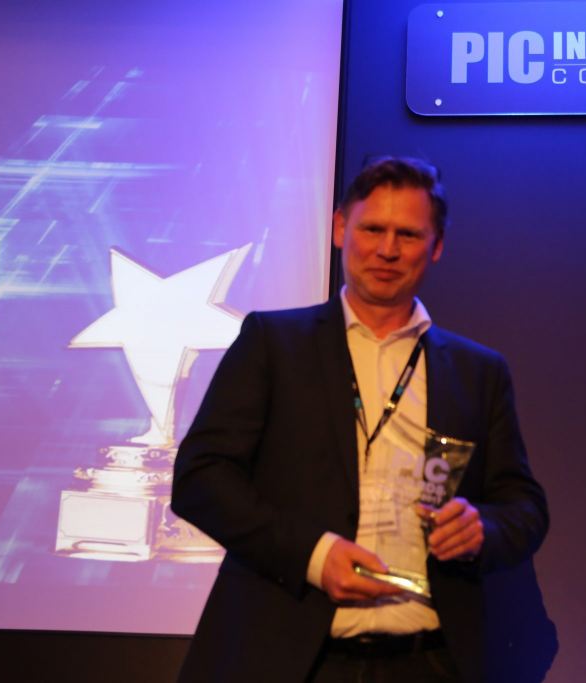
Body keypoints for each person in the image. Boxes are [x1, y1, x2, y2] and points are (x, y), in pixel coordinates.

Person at [171, 157, 548, 682]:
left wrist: (482, 527)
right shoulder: (273, 344)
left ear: (437, 245)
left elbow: (524, 506)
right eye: (372, 229)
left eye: (408, 235)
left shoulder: (477, 371)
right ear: (339, 228)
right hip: (292, 658)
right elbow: (200, 479)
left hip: (431, 661)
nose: (387, 250)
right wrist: (314, 555)